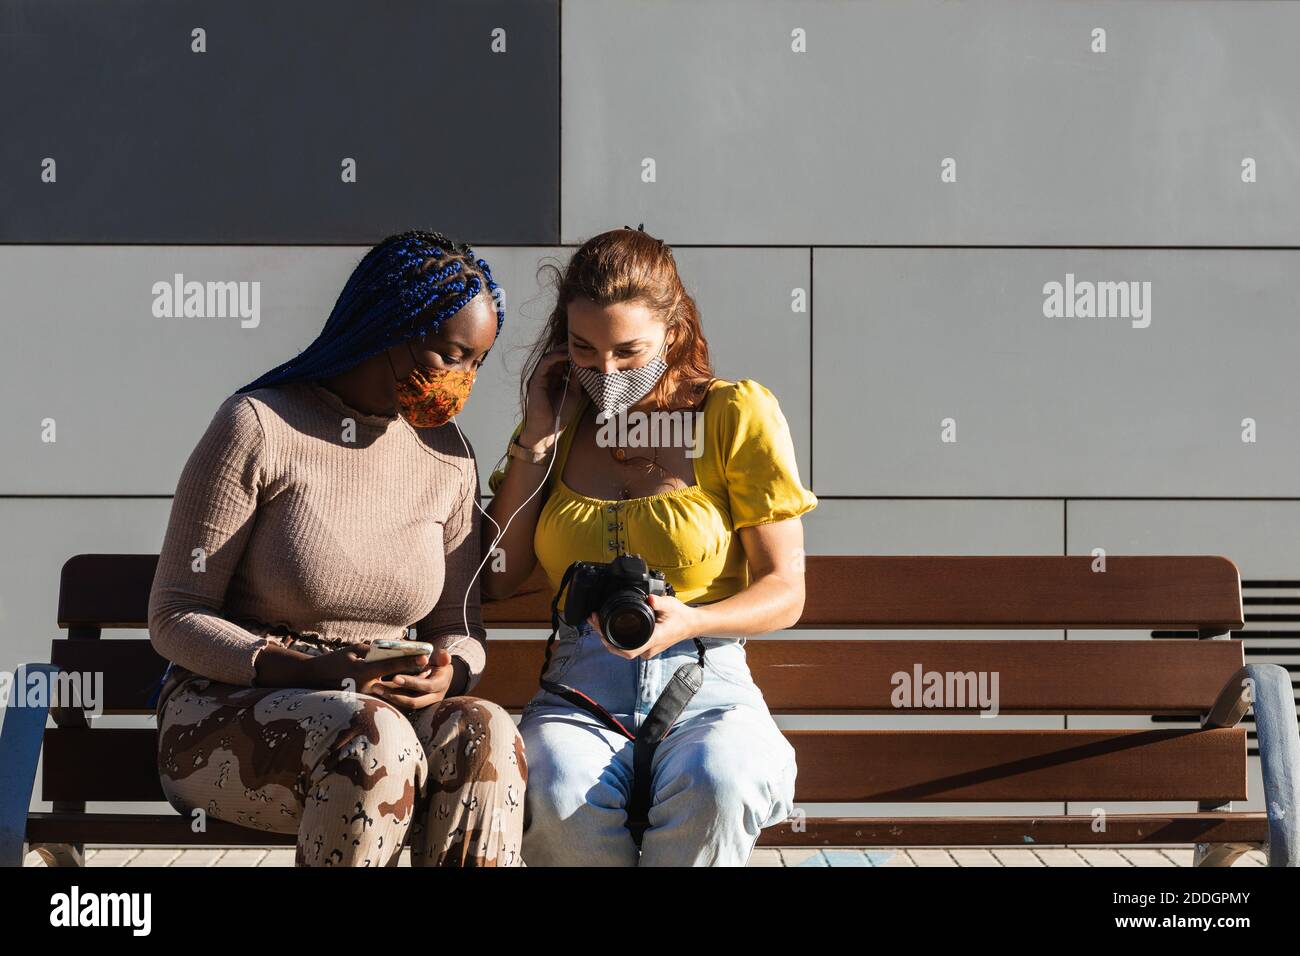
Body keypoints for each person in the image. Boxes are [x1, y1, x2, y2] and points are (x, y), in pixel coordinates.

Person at [147, 230, 526, 866]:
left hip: (382, 710)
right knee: (374, 741)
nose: (463, 380)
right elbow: (176, 615)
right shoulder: (260, 426)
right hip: (226, 709)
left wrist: (451, 670)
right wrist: (311, 669)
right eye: (450, 355)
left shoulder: (448, 457)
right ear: (389, 329)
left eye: (476, 363)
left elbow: (460, 626)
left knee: (484, 732)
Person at [484, 226, 816, 865]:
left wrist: (692, 618)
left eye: (628, 352)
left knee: (719, 778)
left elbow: (786, 592)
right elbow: (499, 576)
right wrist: (535, 435)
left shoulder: (730, 414)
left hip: (702, 673)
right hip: (582, 684)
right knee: (551, 791)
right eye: (584, 348)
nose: (604, 372)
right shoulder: (560, 423)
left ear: (673, 330)